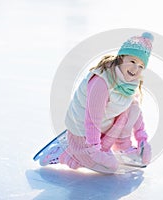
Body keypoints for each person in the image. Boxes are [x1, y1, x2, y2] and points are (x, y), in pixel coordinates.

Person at [41, 32, 153, 173]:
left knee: (133, 105)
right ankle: (65, 153)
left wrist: (142, 140)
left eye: (141, 66)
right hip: (83, 131)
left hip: (103, 127)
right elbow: (92, 120)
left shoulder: (129, 83)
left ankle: (122, 145)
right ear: (121, 58)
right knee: (108, 167)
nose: (135, 69)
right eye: (132, 61)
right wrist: (94, 151)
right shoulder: (101, 82)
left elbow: (136, 112)